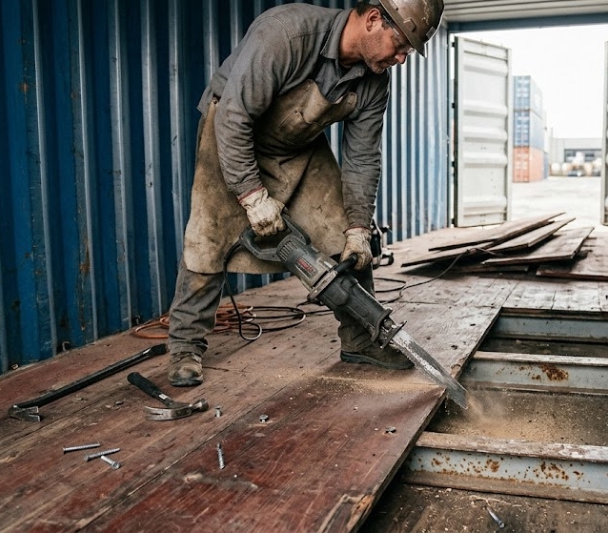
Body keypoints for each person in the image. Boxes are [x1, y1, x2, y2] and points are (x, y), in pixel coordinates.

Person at [166, 0, 444, 386]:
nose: (400, 58)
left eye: (408, 52)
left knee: (343, 235)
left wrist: (359, 229)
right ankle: (185, 346)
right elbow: (234, 116)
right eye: (400, 45)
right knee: (207, 240)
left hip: (297, 145)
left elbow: (362, 157)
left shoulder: (375, 80)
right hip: (230, 132)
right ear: (374, 19)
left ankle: (361, 339)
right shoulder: (285, 34)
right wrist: (250, 195)